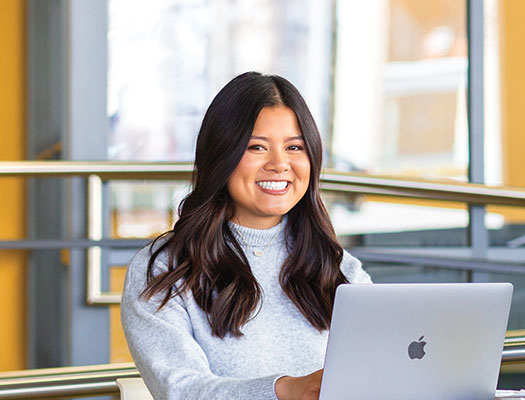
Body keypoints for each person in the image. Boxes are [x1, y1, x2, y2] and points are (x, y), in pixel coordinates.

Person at [121, 72, 371, 400]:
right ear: (221, 156)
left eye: (294, 147)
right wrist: (285, 390)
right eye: (257, 147)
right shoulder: (164, 270)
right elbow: (182, 391)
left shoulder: (340, 269)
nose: (280, 164)